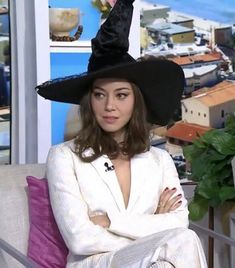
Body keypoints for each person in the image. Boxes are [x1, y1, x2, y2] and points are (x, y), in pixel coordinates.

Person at [36, 0, 207, 267]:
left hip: (150, 259)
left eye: (121, 95)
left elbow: (178, 220)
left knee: (169, 255)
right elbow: (81, 240)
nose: (109, 106)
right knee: (182, 241)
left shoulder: (159, 161)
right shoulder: (63, 156)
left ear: (135, 102)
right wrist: (154, 226)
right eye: (99, 95)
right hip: (95, 263)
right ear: (89, 101)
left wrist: (111, 221)